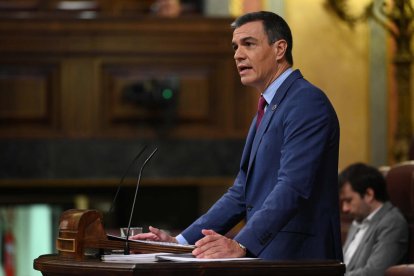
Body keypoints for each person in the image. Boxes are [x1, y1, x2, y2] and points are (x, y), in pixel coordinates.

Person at [133, 11, 342, 260]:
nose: (237, 55)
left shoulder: (306, 101)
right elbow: (241, 194)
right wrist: (179, 242)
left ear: (279, 49)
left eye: (249, 44)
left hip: (301, 259)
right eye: (235, 47)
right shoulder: (266, 109)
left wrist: (241, 244)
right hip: (271, 257)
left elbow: (293, 186)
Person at [339, 163, 409, 275]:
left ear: (368, 194)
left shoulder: (392, 223)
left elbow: (375, 272)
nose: (345, 208)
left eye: (349, 200)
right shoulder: (357, 220)